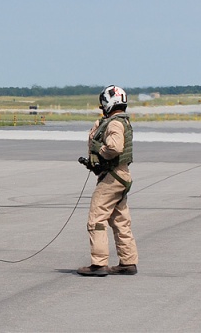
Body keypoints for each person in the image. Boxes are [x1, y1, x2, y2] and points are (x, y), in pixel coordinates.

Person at [77, 85, 139, 277]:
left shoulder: (114, 123)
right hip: (121, 175)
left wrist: (99, 149)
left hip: (113, 177)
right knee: (120, 220)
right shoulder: (122, 121)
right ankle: (128, 262)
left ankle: (99, 263)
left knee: (96, 218)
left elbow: (115, 147)